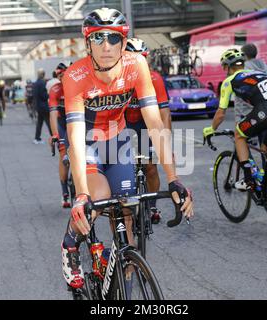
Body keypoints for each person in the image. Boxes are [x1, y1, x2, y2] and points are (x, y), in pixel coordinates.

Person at [61, 8, 193, 289]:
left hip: (117, 141)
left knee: (127, 211)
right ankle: (70, 243)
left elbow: (155, 123)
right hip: (87, 143)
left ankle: (122, 275)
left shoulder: (137, 65)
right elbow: (74, 136)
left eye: (113, 38)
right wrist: (81, 195)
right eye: (98, 38)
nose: (106, 46)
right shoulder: (75, 76)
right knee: (99, 196)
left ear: (123, 42)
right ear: (88, 44)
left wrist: (173, 178)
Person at [203, 48, 267, 193]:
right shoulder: (260, 74)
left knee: (239, 134)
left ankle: (249, 179)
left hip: (266, 111)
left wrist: (211, 129)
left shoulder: (229, 81)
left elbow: (220, 113)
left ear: (226, 67)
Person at [125, 37, 172, 224]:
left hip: (146, 125)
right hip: (125, 124)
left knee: (150, 168)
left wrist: (166, 141)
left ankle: (152, 206)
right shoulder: (117, 78)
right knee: (122, 165)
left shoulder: (154, 78)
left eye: (142, 58)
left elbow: (164, 113)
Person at [47, 63, 71, 208]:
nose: (62, 78)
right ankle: (64, 192)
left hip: (77, 123)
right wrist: (55, 134)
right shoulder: (55, 90)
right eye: (60, 76)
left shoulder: (81, 86)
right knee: (63, 155)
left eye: (65, 75)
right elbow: (53, 115)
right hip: (63, 124)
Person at [33, 69, 52, 144]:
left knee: (39, 123)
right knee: (49, 122)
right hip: (44, 106)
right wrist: (49, 94)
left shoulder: (35, 83)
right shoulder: (43, 83)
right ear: (43, 74)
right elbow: (44, 96)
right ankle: (54, 137)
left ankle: (37, 138)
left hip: (38, 106)